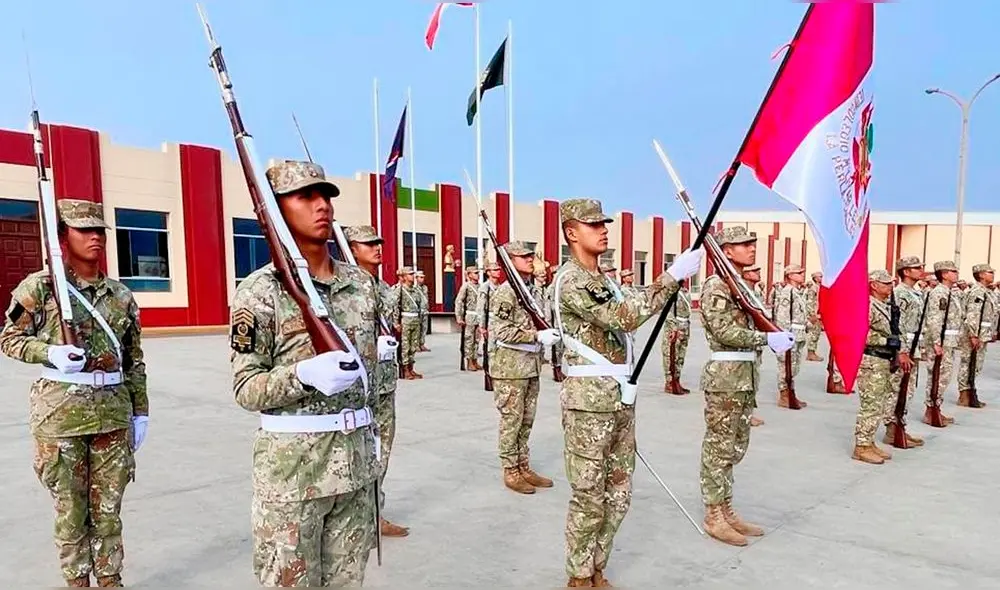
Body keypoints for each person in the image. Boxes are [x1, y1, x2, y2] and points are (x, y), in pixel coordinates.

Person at [229, 160, 380, 586]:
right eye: (305, 196)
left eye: (326, 196)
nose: (322, 206)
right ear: (275, 211)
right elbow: (245, 388)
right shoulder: (260, 291)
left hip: (354, 467)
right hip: (293, 477)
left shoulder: (360, 285)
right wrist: (303, 375)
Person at [552, 198, 703, 586]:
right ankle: (579, 576)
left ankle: (597, 567)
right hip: (589, 404)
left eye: (604, 223)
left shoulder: (604, 281)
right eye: (592, 225)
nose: (603, 229)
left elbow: (627, 320)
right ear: (571, 232)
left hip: (619, 397)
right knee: (589, 496)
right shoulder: (572, 280)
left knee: (618, 494)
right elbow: (624, 317)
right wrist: (671, 275)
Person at [0, 199, 146, 588]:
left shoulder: (120, 296)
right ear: (64, 237)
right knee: (70, 510)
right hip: (60, 417)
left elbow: (134, 360)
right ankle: (78, 582)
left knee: (109, 510)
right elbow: (9, 339)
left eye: (99, 231)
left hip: (113, 416)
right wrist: (47, 352)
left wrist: (141, 411)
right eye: (85, 230)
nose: (95, 238)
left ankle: (110, 579)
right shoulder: (42, 287)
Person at [698, 226, 795, 547]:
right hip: (725, 377)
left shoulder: (741, 285)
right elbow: (724, 330)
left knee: (735, 447)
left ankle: (727, 509)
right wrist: (766, 338)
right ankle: (714, 515)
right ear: (726, 251)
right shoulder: (716, 286)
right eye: (743, 245)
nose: (751, 249)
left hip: (744, 375)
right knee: (719, 448)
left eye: (752, 244)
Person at [345, 225, 409, 538]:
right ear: (351, 249)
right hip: (357, 389)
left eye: (378, 243)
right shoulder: (343, 289)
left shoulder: (384, 288)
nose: (377, 249)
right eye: (368, 244)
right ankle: (353, 518)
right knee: (354, 456)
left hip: (385, 385)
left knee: (381, 454)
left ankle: (374, 513)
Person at [489, 241, 557, 495]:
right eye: (523, 256)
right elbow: (502, 331)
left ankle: (523, 464)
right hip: (510, 368)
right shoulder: (506, 292)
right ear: (510, 261)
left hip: (530, 366)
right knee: (512, 420)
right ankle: (511, 470)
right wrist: (536, 336)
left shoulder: (531, 290)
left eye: (530, 255)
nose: (530, 259)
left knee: (527, 420)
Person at [852, 270, 912, 464]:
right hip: (871, 360)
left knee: (878, 404)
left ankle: (869, 442)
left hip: (883, 360)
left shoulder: (885, 306)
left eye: (890, 283)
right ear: (873, 285)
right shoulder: (866, 305)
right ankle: (861, 445)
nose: (889, 287)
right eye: (885, 283)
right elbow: (860, 333)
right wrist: (887, 341)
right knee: (870, 405)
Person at [884, 256, 927, 447]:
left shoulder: (915, 293)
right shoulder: (900, 293)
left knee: (907, 389)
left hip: (913, 347)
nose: (920, 270)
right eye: (916, 268)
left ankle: (901, 426)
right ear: (906, 272)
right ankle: (892, 429)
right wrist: (901, 351)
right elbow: (897, 324)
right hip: (904, 349)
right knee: (897, 389)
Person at [922, 260, 962, 427]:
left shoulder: (949, 292)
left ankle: (936, 408)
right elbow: (934, 319)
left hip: (949, 343)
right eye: (953, 271)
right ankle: (931, 411)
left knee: (943, 377)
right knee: (938, 377)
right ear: (944, 274)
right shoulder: (939, 293)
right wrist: (937, 342)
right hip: (941, 343)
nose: (956, 273)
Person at [956, 263, 995, 408]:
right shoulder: (977, 292)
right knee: (968, 363)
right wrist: (973, 335)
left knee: (976, 364)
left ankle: (970, 392)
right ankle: (964, 395)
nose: (992, 274)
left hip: (982, 335)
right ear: (981, 275)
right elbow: (973, 315)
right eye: (989, 272)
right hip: (975, 335)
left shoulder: (986, 291)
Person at [773, 264, 809, 408]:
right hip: (790, 335)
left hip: (799, 335)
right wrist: (784, 337)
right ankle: (784, 395)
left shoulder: (797, 292)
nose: (802, 275)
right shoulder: (787, 292)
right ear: (790, 276)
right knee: (785, 366)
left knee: (793, 367)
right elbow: (782, 317)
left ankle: (791, 393)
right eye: (798, 273)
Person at [739, 264, 767, 427]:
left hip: (756, 343)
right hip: (746, 342)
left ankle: (748, 413)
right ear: (746, 274)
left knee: (754, 379)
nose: (758, 273)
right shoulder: (741, 293)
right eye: (754, 270)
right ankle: (745, 415)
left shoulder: (755, 293)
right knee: (745, 381)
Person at [392, 267, 423, 379]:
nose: (412, 276)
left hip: (415, 320)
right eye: (410, 274)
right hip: (405, 320)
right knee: (405, 346)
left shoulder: (415, 290)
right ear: (404, 277)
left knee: (413, 345)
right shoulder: (399, 290)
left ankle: (411, 368)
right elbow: (395, 306)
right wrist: (396, 323)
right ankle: (405, 370)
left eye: (412, 274)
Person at [661, 280, 691, 395]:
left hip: (684, 326)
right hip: (674, 328)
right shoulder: (671, 292)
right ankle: (670, 383)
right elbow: (668, 311)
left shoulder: (685, 291)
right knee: (671, 355)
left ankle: (677, 381)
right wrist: (673, 328)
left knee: (680, 355)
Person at [455, 266, 482, 371]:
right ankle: (469, 361)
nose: (477, 275)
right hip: (470, 316)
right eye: (475, 273)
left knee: (476, 339)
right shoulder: (466, 286)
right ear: (469, 275)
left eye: (478, 273)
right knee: (469, 339)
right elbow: (459, 301)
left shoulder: (480, 286)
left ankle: (475, 360)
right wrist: (459, 317)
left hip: (478, 316)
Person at [805, 271, 825, 361]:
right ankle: (810, 353)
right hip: (814, 315)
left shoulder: (819, 287)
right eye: (820, 276)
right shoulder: (813, 288)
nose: (822, 278)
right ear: (815, 278)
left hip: (819, 314)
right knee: (813, 334)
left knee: (816, 333)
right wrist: (812, 315)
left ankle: (812, 352)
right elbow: (810, 302)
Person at [415, 270, 430, 352]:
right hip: (418, 311)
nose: (422, 279)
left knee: (424, 328)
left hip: (425, 310)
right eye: (420, 277)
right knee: (417, 328)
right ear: (416, 278)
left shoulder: (425, 287)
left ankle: (422, 344)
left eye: (423, 277)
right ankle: (416, 345)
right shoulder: (414, 288)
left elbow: (426, 298)